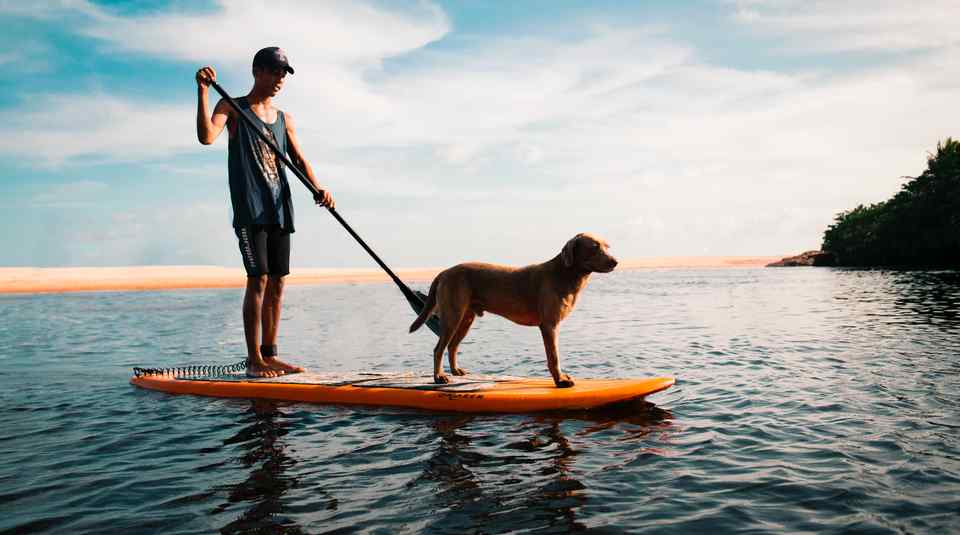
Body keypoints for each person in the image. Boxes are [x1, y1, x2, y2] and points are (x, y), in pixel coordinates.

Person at [195, 47, 334, 377]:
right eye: (275, 72)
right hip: (251, 210)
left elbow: (299, 159)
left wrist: (319, 189)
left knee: (278, 282)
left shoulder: (285, 119)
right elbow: (206, 137)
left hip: (280, 207)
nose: (280, 79)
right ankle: (254, 359)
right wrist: (202, 92)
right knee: (257, 280)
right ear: (257, 71)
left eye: (284, 74)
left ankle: (271, 354)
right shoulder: (232, 106)